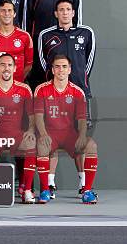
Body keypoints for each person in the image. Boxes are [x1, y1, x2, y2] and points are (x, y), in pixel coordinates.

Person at [38, 0, 96, 196]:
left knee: (82, 141)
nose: (64, 13)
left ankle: (83, 184)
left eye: (68, 10)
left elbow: (88, 63)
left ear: (73, 12)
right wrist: (58, 80)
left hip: (78, 92)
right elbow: (43, 62)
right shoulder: (46, 36)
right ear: (55, 13)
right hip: (54, 93)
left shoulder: (86, 33)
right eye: (61, 10)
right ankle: (50, 185)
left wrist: (76, 83)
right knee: (50, 139)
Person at [34, 54, 98, 204]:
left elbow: (82, 119)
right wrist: (43, 134)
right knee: (42, 146)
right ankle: (45, 190)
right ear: (52, 69)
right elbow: (38, 116)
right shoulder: (41, 89)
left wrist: (82, 136)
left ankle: (87, 191)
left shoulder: (77, 92)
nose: (61, 70)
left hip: (69, 134)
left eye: (64, 67)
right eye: (57, 66)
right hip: (50, 133)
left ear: (70, 70)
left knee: (91, 145)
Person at [0, 54, 37, 204]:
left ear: (15, 68)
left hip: (15, 136)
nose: (6, 68)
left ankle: (27, 190)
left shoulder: (24, 89)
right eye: (3, 65)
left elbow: (32, 116)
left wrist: (30, 131)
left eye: (10, 65)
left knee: (30, 144)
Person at [0, 0, 33, 83]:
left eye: (9, 10)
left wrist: (18, 80)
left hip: (17, 87)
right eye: (3, 10)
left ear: (14, 14)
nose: (6, 13)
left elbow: (28, 65)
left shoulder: (25, 36)